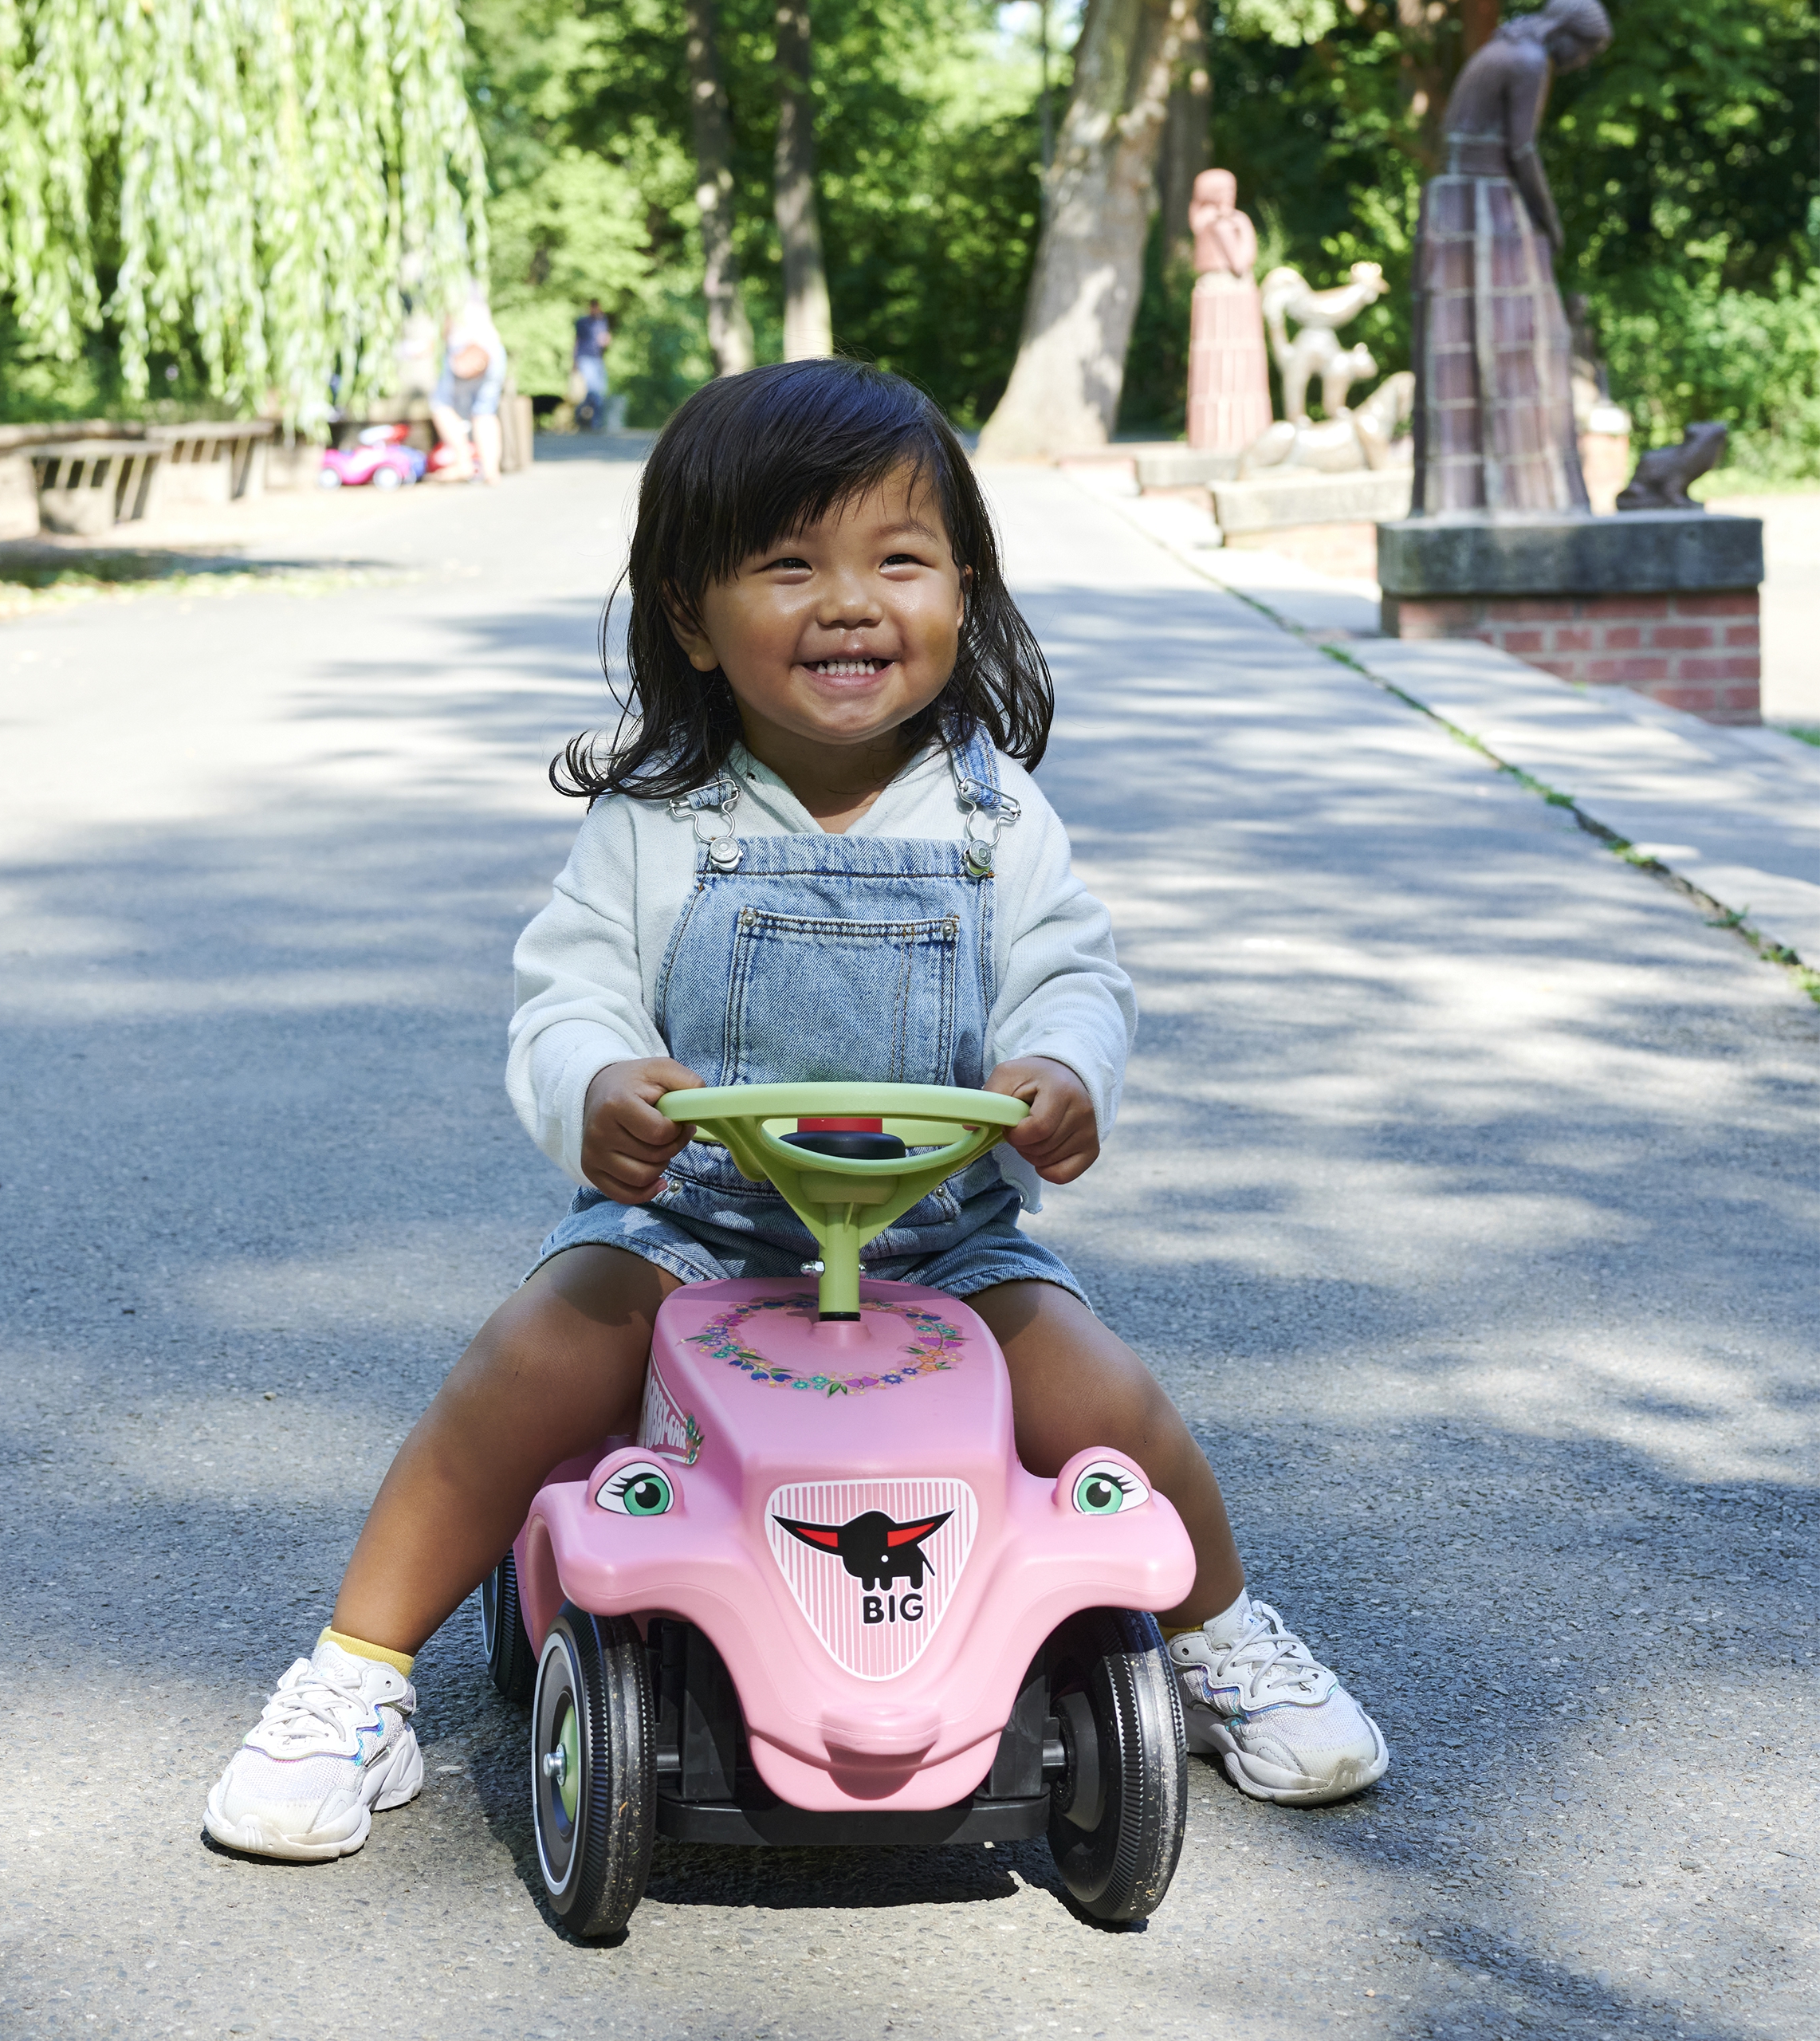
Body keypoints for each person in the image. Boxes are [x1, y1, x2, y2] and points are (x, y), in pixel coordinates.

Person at [202, 359, 1390, 1863]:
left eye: (898, 561)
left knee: (1110, 1402)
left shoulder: (991, 815)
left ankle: (1220, 1636)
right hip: (692, 1231)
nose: (849, 602)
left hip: (941, 1243)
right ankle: (355, 1678)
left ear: (966, 588)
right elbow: (565, 991)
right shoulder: (660, 820)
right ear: (693, 617)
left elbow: (1072, 967)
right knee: (525, 1362)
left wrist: (1064, 1068)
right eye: (788, 567)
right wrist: (598, 1086)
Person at [1411, 0, 1613, 513]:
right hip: (1485, 198)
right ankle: (1528, 495)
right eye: (1586, 53)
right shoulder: (1528, 61)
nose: (1581, 64)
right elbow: (1521, 148)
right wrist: (1548, 217)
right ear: (1568, 35)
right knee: (1516, 339)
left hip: (1460, 195)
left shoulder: (1505, 48)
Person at [1186, 168, 1272, 452]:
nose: (1230, 195)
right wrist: (1243, 228)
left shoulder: (1217, 221)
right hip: (1225, 295)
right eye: (1225, 190)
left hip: (1225, 292)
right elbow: (1240, 261)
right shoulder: (1221, 224)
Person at [430, 299, 508, 486]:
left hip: (463, 348)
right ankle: (491, 471)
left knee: (440, 404)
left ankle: (463, 462)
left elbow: (448, 318)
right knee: (485, 411)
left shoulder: (447, 280)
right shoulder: (474, 279)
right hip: (492, 346)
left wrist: (436, 343)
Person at [572, 298, 611, 430]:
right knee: (593, 391)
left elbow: (604, 341)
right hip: (585, 358)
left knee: (600, 391)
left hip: (598, 359)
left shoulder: (602, 322)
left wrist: (606, 341)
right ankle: (592, 422)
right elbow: (577, 341)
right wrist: (575, 361)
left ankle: (591, 421)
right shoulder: (583, 322)